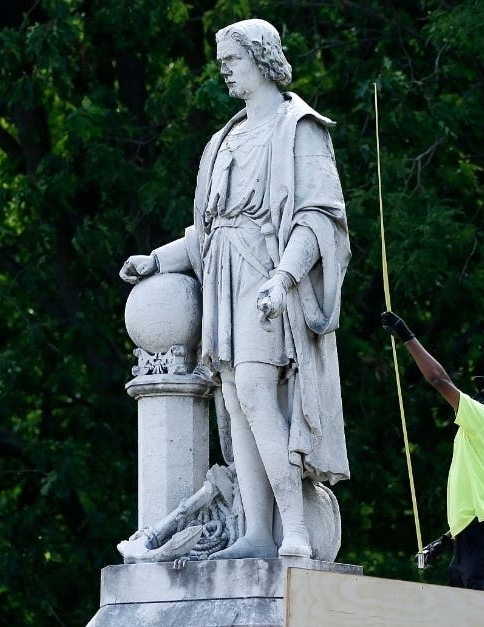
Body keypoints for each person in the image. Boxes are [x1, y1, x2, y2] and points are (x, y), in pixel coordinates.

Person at [120, 19, 350, 559]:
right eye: (222, 61)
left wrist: (284, 278)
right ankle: (256, 533)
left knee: (254, 393)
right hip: (225, 277)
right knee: (234, 400)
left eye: (234, 59)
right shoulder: (222, 141)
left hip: (266, 278)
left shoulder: (299, 128)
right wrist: (157, 259)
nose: (224, 69)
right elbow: (208, 232)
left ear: (263, 59)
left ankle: (294, 528)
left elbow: (319, 219)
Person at [380, 311, 484, 592]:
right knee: (459, 618)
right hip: (471, 536)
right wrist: (444, 541)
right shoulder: (479, 435)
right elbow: (475, 501)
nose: (481, 398)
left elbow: (439, 380)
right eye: (482, 393)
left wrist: (406, 335)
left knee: (483, 616)